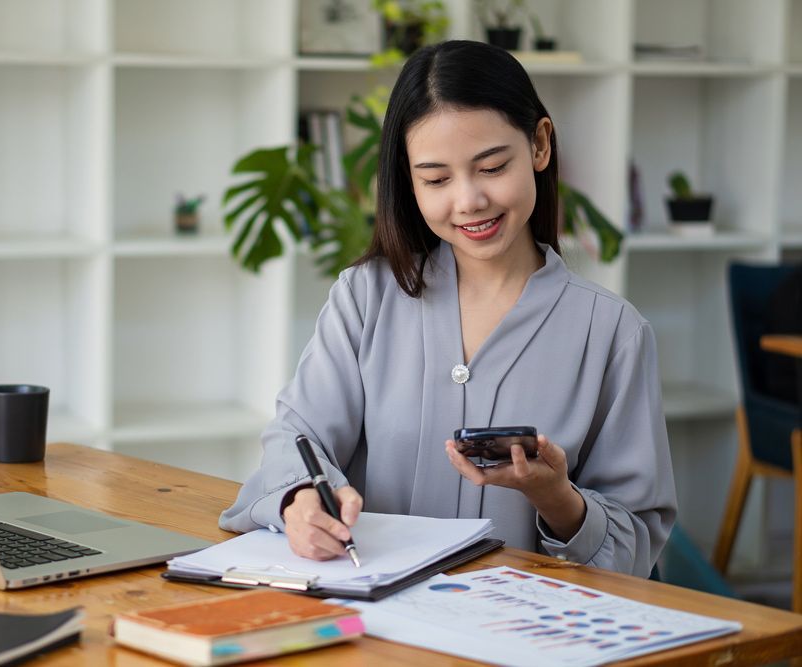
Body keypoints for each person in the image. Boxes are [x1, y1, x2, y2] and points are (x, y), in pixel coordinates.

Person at [219, 40, 676, 577]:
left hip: (518, 637)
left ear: (540, 145)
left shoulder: (611, 332)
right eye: (436, 179)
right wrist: (300, 501)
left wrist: (556, 497)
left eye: (491, 167)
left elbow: (636, 545)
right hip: (373, 627)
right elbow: (297, 438)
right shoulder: (365, 298)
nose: (468, 201)